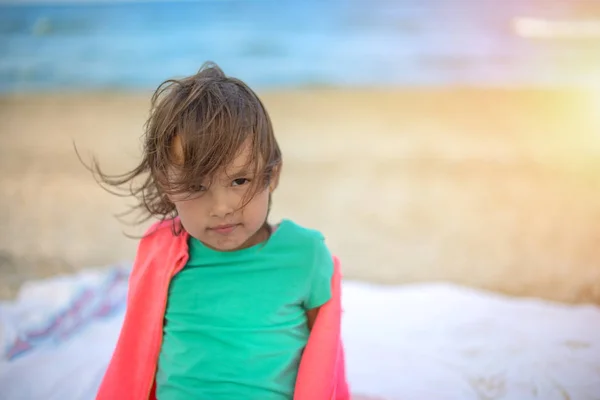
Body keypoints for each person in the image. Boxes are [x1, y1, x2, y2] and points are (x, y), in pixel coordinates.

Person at [90, 62, 349, 400]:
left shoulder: (305, 255)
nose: (221, 206)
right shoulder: (163, 253)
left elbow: (326, 357)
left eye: (239, 181)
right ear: (167, 187)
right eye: (196, 186)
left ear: (272, 175)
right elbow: (137, 351)